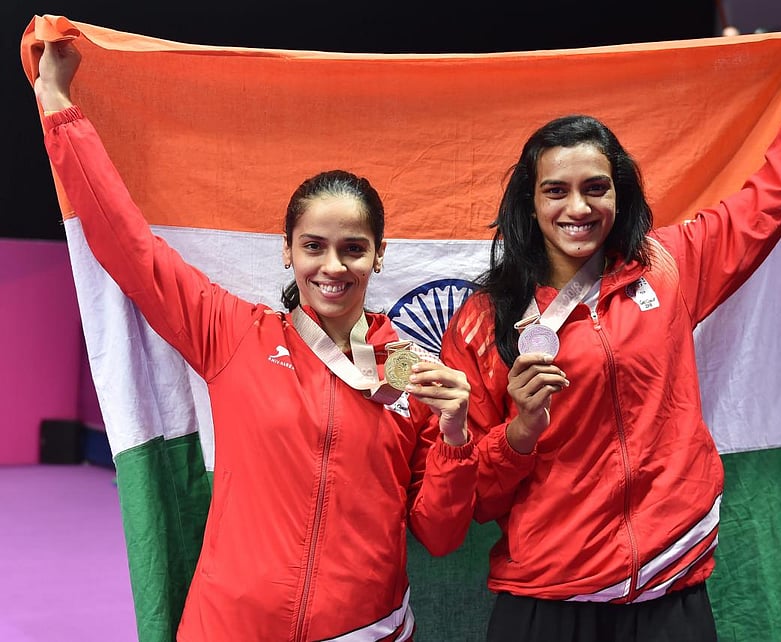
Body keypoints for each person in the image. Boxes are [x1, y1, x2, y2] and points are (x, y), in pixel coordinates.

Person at [33, 39, 478, 642]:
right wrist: (57, 104)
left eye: (353, 248)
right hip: (232, 625)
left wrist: (455, 436)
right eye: (314, 246)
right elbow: (128, 245)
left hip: (367, 629)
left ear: (378, 255)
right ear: (288, 251)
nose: (333, 266)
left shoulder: (413, 374)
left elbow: (440, 535)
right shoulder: (233, 333)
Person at [440, 31, 781, 641]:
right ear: (528, 205)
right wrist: (520, 433)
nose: (578, 208)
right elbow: (475, 495)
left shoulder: (668, 265)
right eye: (555, 191)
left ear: (620, 192)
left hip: (669, 585)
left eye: (596, 187)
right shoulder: (484, 320)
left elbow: (768, 198)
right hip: (548, 598)